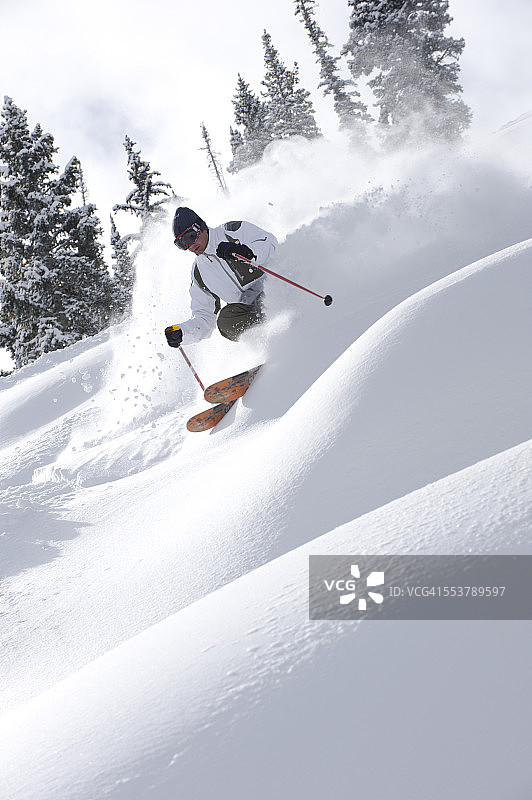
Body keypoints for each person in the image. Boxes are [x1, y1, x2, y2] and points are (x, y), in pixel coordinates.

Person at [164, 207, 278, 349]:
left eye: (190, 237)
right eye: (182, 244)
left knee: (288, 269)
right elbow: (204, 317)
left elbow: (269, 242)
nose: (190, 246)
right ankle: (275, 343)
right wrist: (182, 333)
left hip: (277, 288)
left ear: (201, 227)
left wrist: (248, 253)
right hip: (254, 311)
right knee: (225, 322)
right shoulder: (199, 272)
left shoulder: (231, 231)